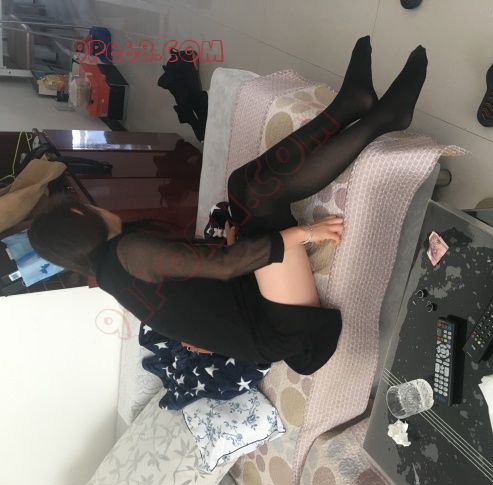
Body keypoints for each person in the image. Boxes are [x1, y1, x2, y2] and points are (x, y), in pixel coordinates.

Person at [28, 36, 428, 375]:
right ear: (79, 214)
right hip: (285, 329)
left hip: (251, 300)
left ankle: (351, 104)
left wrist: (228, 247)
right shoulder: (127, 253)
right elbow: (224, 267)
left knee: (242, 185)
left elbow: (189, 288)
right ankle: (382, 118)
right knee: (263, 197)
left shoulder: (112, 270)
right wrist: (307, 233)